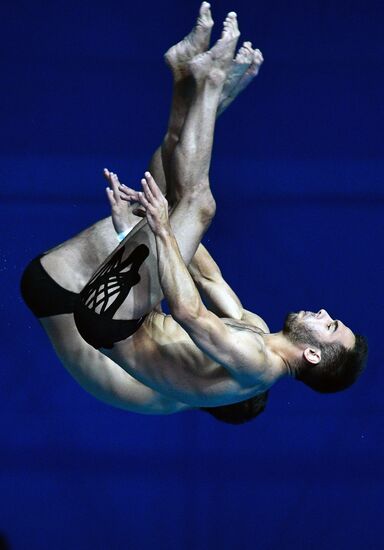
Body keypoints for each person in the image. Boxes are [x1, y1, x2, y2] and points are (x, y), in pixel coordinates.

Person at [72, 9, 368, 405]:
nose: (323, 311)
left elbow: (189, 312)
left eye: (329, 325)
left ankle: (211, 85)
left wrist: (163, 229)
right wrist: (158, 221)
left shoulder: (255, 365)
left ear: (313, 354)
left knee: (199, 205)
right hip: (123, 312)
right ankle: (184, 75)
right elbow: (209, 279)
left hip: (112, 322)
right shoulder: (258, 331)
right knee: (180, 199)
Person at [21, 5, 269, 423]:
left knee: (183, 208)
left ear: (220, 396)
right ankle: (189, 85)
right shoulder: (226, 356)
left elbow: (119, 330)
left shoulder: (167, 395)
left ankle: (204, 94)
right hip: (90, 297)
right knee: (174, 208)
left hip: (70, 298)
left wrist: (133, 236)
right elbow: (205, 279)